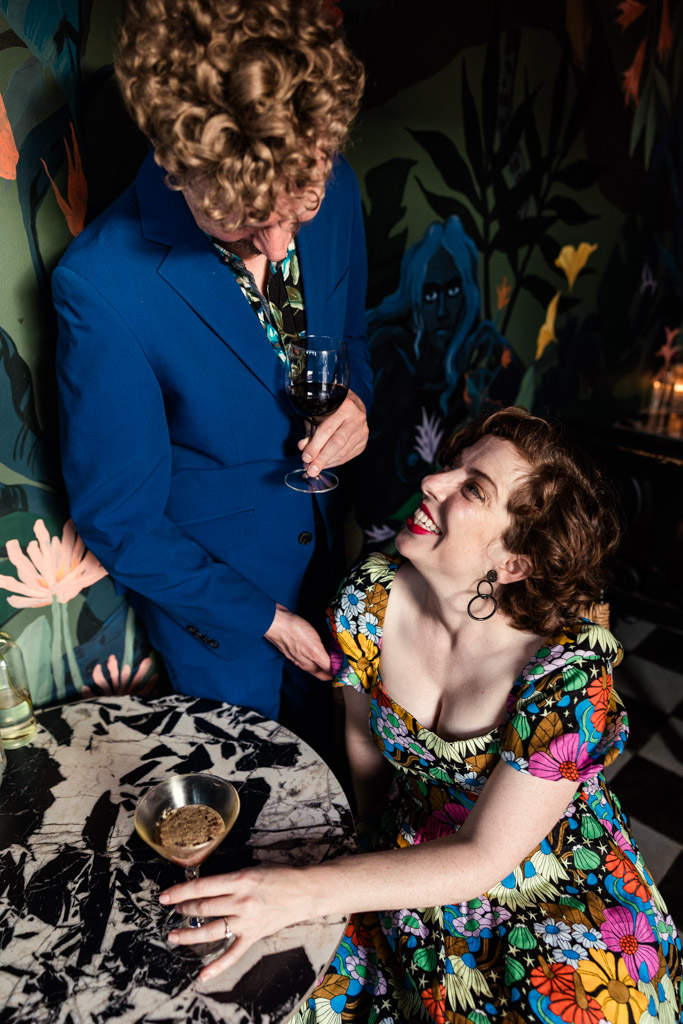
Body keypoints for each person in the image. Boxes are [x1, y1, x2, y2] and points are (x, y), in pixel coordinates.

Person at [156, 407, 681, 1023]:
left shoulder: (566, 672)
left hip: (548, 880)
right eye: (450, 469)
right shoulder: (367, 600)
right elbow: (366, 754)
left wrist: (300, 890)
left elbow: (487, 855)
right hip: (403, 851)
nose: (433, 482)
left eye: (473, 488)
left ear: (513, 564)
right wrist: (352, 868)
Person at [52, 0, 372, 735]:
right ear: (175, 165)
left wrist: (355, 402)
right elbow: (119, 519)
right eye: (239, 219)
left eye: (299, 208)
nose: (279, 247)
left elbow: (355, 344)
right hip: (220, 620)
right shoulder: (101, 286)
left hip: (339, 568)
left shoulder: (339, 184)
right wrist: (263, 620)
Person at [357, 217, 522, 541]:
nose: (443, 309)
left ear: (469, 290)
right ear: (415, 295)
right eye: (431, 294)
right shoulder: (393, 353)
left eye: (453, 289)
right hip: (377, 525)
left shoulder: (487, 354)